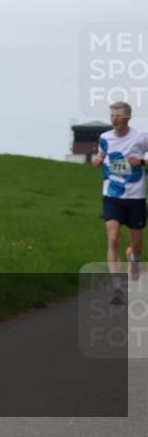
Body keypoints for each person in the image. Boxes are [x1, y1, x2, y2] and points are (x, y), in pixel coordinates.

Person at [92, 101, 148, 305]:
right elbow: (99, 157)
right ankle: (116, 288)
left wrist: (141, 162)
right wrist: (96, 161)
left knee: (137, 246)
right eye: (112, 115)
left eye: (118, 115)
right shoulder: (105, 138)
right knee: (113, 236)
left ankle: (133, 259)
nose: (114, 119)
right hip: (112, 195)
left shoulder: (141, 138)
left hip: (135, 197)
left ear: (127, 118)